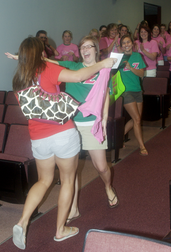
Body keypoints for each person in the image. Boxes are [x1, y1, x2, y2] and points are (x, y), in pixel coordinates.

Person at [9, 37, 116, 249]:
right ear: (40, 53)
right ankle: (60, 230)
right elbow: (77, 76)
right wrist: (103, 64)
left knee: (43, 181)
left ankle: (22, 222)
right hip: (62, 133)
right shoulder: (46, 67)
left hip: (38, 137)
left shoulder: (19, 77)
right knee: (68, 180)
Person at [47, 35, 119, 224]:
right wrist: (24, 57)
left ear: (96, 49)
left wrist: (103, 119)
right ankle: (73, 208)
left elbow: (105, 96)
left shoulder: (103, 70)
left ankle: (108, 187)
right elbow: (48, 61)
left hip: (92, 124)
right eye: (82, 47)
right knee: (71, 169)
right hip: (71, 124)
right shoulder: (72, 67)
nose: (85, 49)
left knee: (102, 167)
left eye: (89, 46)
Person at [118, 35, 148, 155]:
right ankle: (142, 146)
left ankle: (119, 137)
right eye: (124, 43)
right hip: (126, 92)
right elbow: (111, 74)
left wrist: (130, 68)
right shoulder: (119, 59)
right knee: (136, 119)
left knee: (137, 119)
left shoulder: (137, 56)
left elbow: (141, 74)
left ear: (132, 44)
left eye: (128, 42)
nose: (126, 45)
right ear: (121, 46)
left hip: (138, 90)